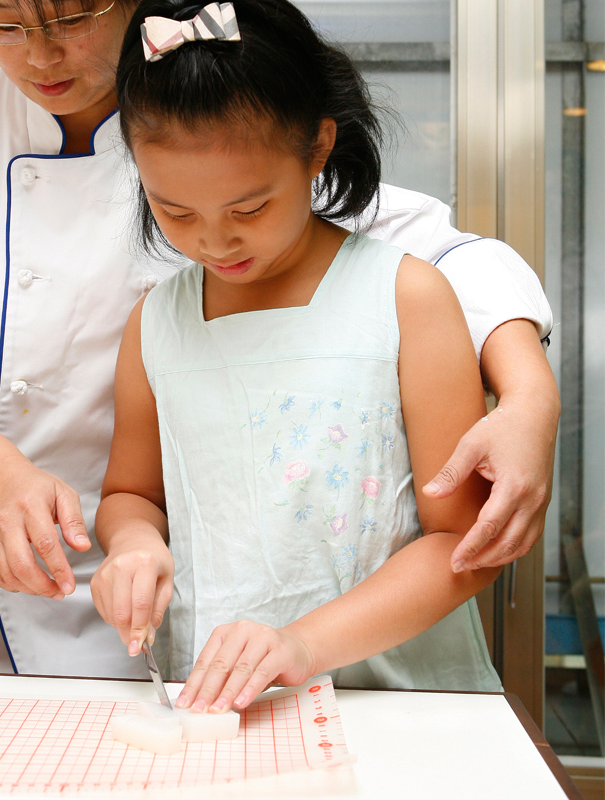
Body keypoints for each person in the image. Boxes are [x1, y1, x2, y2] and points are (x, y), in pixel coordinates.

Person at [0, 0, 557, 675]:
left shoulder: (214, 98)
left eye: (70, 19)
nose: (39, 54)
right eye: (3, 24)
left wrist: (528, 396)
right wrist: (6, 480)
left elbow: (441, 255)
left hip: (216, 643)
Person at [91, 0, 542, 710]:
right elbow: (130, 495)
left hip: (404, 706)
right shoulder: (156, 322)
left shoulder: (405, 297)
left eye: (248, 209)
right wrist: (133, 545)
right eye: (175, 211)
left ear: (318, 147)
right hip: (222, 706)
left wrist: (301, 644)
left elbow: (462, 541)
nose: (214, 242)